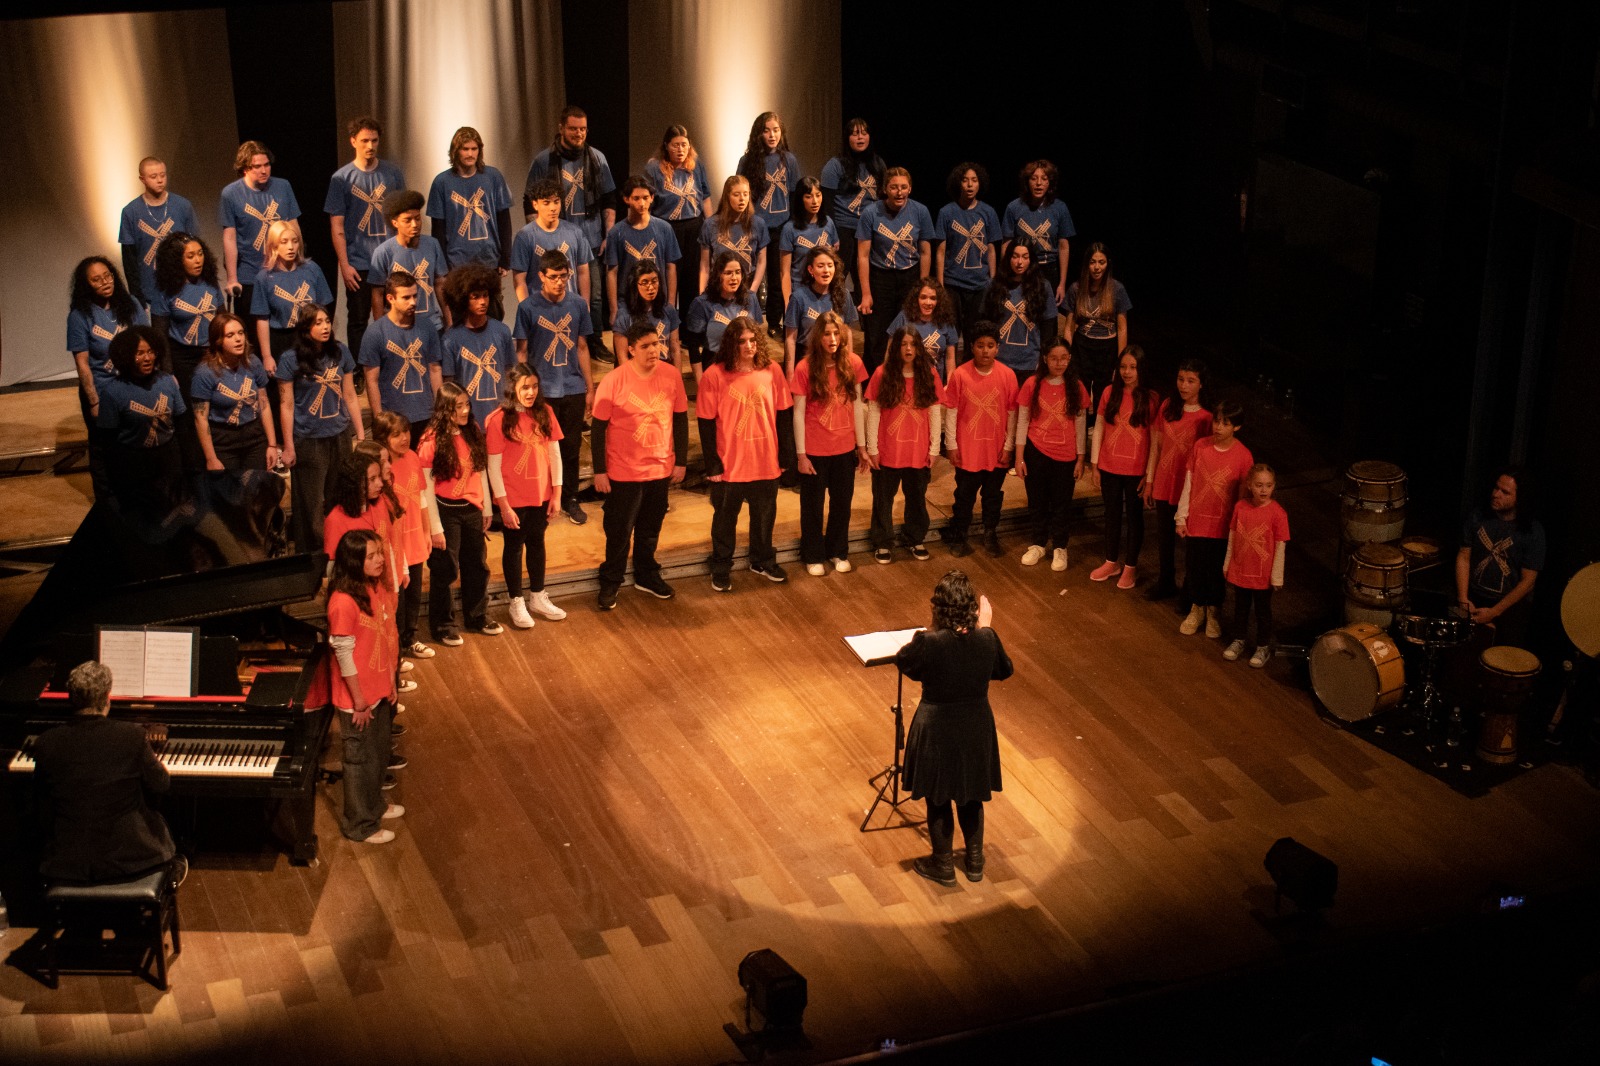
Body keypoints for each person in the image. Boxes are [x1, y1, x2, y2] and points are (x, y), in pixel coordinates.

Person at [897, 571, 1012, 886]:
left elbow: (905, 662)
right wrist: (985, 628)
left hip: (936, 728)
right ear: (973, 610)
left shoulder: (930, 642)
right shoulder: (987, 638)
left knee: (938, 797)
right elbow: (1004, 670)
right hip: (975, 725)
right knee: (971, 795)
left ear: (938, 608)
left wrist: (930, 632)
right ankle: (975, 862)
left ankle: (943, 865)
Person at [30, 660, 181, 883]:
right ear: (107, 698)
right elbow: (161, 784)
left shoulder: (46, 741)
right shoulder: (131, 736)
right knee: (155, 822)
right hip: (126, 859)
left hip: (68, 859)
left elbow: (40, 798)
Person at [592, 321, 689, 609]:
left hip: (659, 468)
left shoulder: (671, 375)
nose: (653, 350)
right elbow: (598, 428)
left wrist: (681, 461)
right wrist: (600, 471)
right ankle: (611, 581)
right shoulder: (615, 380)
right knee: (619, 532)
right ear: (630, 349)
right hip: (624, 472)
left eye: (656, 343)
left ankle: (646, 576)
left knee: (650, 530)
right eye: (645, 346)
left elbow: (681, 418)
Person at [697, 316, 794, 591]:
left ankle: (762, 560)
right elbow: (705, 422)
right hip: (730, 465)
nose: (749, 346)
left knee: (764, 518)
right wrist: (712, 464)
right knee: (725, 521)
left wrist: (786, 456)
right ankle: (721, 565)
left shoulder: (772, 371)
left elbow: (784, 414)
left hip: (765, 461)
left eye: (753, 340)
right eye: (742, 342)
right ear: (731, 344)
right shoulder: (714, 376)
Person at [326, 529, 403, 844]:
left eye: (379, 553)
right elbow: (343, 654)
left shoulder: (374, 588)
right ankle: (360, 824)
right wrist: (359, 701)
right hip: (358, 699)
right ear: (354, 561)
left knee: (378, 754)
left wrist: (389, 683)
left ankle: (375, 806)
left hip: (378, 690)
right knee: (359, 762)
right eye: (371, 556)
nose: (380, 560)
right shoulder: (343, 602)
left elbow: (384, 638)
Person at [522, 106, 615, 350]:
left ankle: (591, 340)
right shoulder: (544, 160)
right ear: (561, 128)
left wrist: (609, 233)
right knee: (553, 294)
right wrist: (539, 233)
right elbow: (529, 200)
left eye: (583, 129)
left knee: (593, 297)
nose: (579, 133)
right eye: (573, 128)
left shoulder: (597, 158)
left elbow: (608, 198)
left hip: (591, 238)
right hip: (553, 241)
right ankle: (554, 339)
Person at [513, 249, 595, 524]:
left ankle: (570, 498)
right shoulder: (527, 308)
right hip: (542, 390)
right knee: (540, 448)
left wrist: (589, 387)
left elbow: (582, 346)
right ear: (541, 277)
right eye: (554, 277)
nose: (560, 282)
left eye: (564, 276)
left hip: (571, 386)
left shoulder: (578, 304)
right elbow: (522, 353)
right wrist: (520, 389)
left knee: (571, 448)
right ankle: (542, 499)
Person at [419, 383, 501, 645]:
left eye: (467, 404)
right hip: (445, 511)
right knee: (445, 569)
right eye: (459, 406)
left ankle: (477, 616)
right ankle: (443, 624)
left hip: (472, 508)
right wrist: (435, 527)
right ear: (446, 410)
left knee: (476, 565)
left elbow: (480, 469)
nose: (466, 410)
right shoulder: (431, 440)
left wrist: (486, 507)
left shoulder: (472, 431)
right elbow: (426, 488)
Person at [276, 303, 361, 553]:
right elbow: (287, 405)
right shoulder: (290, 359)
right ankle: (313, 558)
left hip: (340, 434)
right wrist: (289, 446)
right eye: (317, 323)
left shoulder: (340, 352)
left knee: (341, 499)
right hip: (309, 439)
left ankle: (340, 554)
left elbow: (350, 395)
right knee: (311, 507)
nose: (325, 327)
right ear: (305, 328)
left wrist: (361, 434)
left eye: (326, 321)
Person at [487, 364, 567, 628]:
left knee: (537, 542)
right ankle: (516, 601)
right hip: (513, 499)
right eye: (525, 387)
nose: (531, 392)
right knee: (514, 547)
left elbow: (555, 455)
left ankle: (537, 595)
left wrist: (556, 493)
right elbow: (494, 467)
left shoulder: (546, 413)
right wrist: (504, 505)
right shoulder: (498, 420)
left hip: (541, 494)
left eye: (534, 386)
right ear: (513, 389)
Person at [791, 312, 867, 576]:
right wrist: (801, 454)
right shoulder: (805, 368)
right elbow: (798, 413)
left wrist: (862, 445)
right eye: (827, 334)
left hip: (844, 448)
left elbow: (858, 406)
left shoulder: (853, 363)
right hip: (814, 450)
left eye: (836, 333)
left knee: (842, 504)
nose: (833, 339)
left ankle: (838, 551)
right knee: (812, 506)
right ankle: (812, 554)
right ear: (818, 337)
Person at [67, 256, 148, 500]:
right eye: (96, 279)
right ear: (86, 285)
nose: (105, 282)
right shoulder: (80, 316)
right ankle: (107, 504)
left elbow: (146, 343)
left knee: (134, 447)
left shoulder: (130, 304)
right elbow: (82, 363)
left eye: (108, 276)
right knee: (104, 450)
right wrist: (93, 401)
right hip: (102, 392)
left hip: (132, 388)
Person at [326, 117, 407, 357]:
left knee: (395, 314)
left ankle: (393, 360)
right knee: (359, 319)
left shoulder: (392, 173)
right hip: (359, 261)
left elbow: (404, 214)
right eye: (364, 141)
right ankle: (361, 369)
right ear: (353, 141)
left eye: (374, 141)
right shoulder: (342, 178)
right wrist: (344, 264)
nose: (370, 146)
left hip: (391, 258)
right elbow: (337, 225)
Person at [866, 325, 945, 564]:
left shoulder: (929, 374)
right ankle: (882, 541)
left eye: (913, 344)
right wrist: (873, 448)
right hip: (888, 451)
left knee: (917, 497)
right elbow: (874, 412)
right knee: (883, 498)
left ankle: (915, 537)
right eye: (903, 344)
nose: (908, 349)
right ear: (896, 347)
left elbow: (934, 412)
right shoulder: (882, 373)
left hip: (918, 451)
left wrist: (934, 448)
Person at [1175, 399, 1252, 639]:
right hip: (1197, 522)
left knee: (1216, 571)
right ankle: (1197, 608)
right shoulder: (1200, 447)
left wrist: (1237, 529)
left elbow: (1242, 498)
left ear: (1236, 427)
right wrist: (1182, 516)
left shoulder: (1243, 456)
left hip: (1221, 526)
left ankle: (1213, 611)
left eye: (1225, 423)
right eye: (1217, 421)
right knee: (1195, 567)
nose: (1218, 427)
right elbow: (1189, 481)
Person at [96, 326, 188, 524]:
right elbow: (107, 443)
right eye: (139, 353)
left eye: (150, 352)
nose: (147, 358)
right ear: (126, 356)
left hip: (168, 459)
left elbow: (182, 424)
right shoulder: (113, 392)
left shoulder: (167, 382)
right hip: (133, 466)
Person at [942, 323, 1018, 558]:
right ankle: (959, 535)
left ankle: (990, 533)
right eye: (980, 345)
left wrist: (1008, 447)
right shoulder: (961, 375)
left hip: (996, 449)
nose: (985, 351)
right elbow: (952, 411)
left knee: (993, 495)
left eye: (990, 346)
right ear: (972, 347)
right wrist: (951, 445)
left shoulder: (1007, 375)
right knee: (964, 496)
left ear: (998, 348)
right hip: (968, 449)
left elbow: (1012, 415)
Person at [1014, 339, 1088, 572]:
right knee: (1037, 501)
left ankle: (1060, 547)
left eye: (1064, 358)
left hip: (1065, 455)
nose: (1059, 363)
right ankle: (1038, 543)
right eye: (1054, 358)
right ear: (1045, 358)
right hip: (1036, 451)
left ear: (1069, 359)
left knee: (1061, 504)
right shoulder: (1032, 384)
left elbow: (1080, 423)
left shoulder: (1075, 386)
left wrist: (1080, 458)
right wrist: (1019, 457)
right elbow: (1023, 421)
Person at [1089, 346, 1158, 589]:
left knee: (1135, 518)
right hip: (1109, 467)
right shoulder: (1109, 392)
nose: (1127, 372)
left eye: (1132, 367)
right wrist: (1095, 463)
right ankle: (1111, 561)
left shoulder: (1150, 398)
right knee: (1111, 514)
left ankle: (1131, 566)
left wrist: (1149, 475)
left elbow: (1154, 441)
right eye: (1123, 367)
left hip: (1136, 471)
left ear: (1141, 369)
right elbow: (1098, 427)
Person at [1146, 359, 1214, 602]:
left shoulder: (1207, 418)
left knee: (1189, 542)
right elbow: (1156, 445)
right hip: (1165, 482)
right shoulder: (1167, 406)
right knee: (1164, 538)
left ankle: (1189, 588)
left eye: (1190, 381)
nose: (1183, 385)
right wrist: (1150, 480)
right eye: (1180, 379)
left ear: (1201, 384)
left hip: (1189, 490)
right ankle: (1166, 581)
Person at [856, 167, 934, 375]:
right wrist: (866, 293)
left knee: (907, 330)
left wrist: (923, 287)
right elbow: (863, 255)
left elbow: (925, 252)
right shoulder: (871, 213)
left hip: (910, 276)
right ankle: (875, 382)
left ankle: (905, 378)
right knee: (877, 333)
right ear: (885, 189)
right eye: (894, 187)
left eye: (903, 187)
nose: (899, 192)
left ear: (910, 188)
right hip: (880, 278)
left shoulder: (920, 211)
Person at [1456, 466, 1544, 648]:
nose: (1496, 494)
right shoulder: (1477, 516)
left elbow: (1528, 582)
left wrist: (1495, 612)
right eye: (1496, 488)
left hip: (1508, 609)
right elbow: (1464, 556)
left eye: (1505, 492)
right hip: (1473, 598)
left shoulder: (1532, 531)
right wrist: (1463, 598)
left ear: (1519, 498)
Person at [219, 140, 301, 331]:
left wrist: (297, 263)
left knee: (284, 327)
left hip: (280, 270)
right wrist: (232, 278)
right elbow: (229, 237)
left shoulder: (283, 187)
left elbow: (293, 226)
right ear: (245, 168)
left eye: (266, 165)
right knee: (253, 331)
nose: (263, 170)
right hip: (250, 274)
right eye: (257, 166)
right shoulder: (231, 194)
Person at [373, 410, 434, 663]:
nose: (404, 438)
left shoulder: (412, 457)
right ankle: (394, 647)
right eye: (395, 434)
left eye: (405, 432)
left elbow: (420, 497)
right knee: (395, 595)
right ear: (383, 438)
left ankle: (410, 637)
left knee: (414, 593)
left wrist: (428, 530)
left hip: (415, 537)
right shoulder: (381, 468)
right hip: (393, 542)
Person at [359, 270, 444, 443]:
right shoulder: (375, 333)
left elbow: (434, 370)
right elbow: (371, 381)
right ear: (390, 298)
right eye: (406, 297)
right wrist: (379, 419)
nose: (413, 302)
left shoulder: (427, 327)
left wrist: (440, 410)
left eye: (414, 296)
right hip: (393, 419)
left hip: (426, 414)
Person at [191, 311, 279, 475]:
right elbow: (200, 419)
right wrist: (211, 458)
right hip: (224, 443)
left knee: (255, 491)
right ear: (218, 341)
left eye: (240, 333)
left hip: (254, 438)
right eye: (230, 335)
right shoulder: (204, 373)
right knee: (230, 495)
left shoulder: (253, 363)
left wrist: (272, 444)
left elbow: (264, 405)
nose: (238, 339)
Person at [737, 111, 802, 330]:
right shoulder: (747, 161)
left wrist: (793, 225)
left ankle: (774, 322)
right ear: (759, 134)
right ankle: (743, 319)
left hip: (780, 228)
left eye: (776, 130)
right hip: (753, 227)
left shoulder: (789, 160)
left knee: (777, 278)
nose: (772, 135)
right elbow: (739, 191)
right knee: (748, 275)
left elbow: (793, 194)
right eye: (767, 130)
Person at [1222, 464, 1290, 668]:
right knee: (1240, 608)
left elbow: (1280, 547)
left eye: (1268, 485)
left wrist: (1276, 577)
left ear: (1274, 487)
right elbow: (1233, 537)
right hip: (1241, 570)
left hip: (1262, 575)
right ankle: (1239, 640)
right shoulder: (1240, 507)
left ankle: (1262, 646)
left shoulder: (1278, 514)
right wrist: (1227, 564)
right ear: (1250, 485)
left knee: (1262, 611)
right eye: (1259, 485)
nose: (1263, 490)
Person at [644, 124, 714, 312]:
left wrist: (711, 226)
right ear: (666, 145)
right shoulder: (654, 167)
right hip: (667, 227)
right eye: (676, 145)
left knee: (691, 277)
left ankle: (690, 330)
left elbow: (705, 195)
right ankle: (667, 322)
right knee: (669, 276)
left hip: (694, 226)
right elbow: (647, 201)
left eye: (684, 144)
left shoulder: (696, 164)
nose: (680, 149)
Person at [427, 125, 514, 273]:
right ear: (455, 151)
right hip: (456, 262)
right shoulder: (441, 182)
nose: (470, 154)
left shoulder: (493, 177)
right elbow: (438, 229)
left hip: (489, 259)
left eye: (474, 149)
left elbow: (504, 220)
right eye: (465, 149)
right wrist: (442, 265)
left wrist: (505, 258)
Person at [148, 231, 223, 402]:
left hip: (211, 354)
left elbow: (222, 320)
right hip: (183, 358)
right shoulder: (164, 290)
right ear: (176, 260)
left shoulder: (210, 283)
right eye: (190, 256)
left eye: (200, 254)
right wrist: (168, 372)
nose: (198, 260)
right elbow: (160, 335)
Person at [118, 156, 199, 309]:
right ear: (142, 179)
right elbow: (129, 258)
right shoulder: (131, 212)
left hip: (182, 286)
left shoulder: (182, 206)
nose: (160, 180)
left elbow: (196, 246)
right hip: (149, 291)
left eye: (163, 175)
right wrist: (136, 294)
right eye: (153, 176)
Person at [440, 262, 514, 430]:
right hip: (468, 419)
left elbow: (510, 372)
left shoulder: (502, 332)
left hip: (500, 416)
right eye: (475, 297)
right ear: (463, 299)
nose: (482, 302)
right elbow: (449, 383)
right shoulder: (451, 339)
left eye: (485, 295)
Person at [820, 118, 885, 300]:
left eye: (864, 133)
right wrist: (832, 232)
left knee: (866, 276)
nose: (860, 137)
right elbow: (827, 202)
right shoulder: (835, 165)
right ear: (847, 138)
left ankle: (865, 317)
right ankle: (836, 314)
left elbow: (882, 198)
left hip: (869, 229)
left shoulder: (878, 164)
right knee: (840, 273)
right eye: (855, 133)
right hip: (844, 227)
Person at [252, 220, 334, 364]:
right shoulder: (264, 278)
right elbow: (262, 319)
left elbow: (323, 307)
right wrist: (266, 356)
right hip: (281, 340)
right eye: (284, 242)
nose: (290, 247)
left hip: (309, 337)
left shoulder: (312, 269)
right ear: (273, 245)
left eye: (294, 241)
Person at [936, 162, 1000, 345]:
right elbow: (940, 250)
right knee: (951, 333)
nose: (970, 185)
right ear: (958, 183)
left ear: (980, 183)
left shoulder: (988, 212)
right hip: (953, 283)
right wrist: (940, 284)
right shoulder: (946, 212)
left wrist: (992, 278)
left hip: (979, 284)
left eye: (974, 180)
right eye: (965, 180)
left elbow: (991, 247)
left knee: (975, 333)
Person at [367, 190, 448, 333]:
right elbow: (378, 294)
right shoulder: (383, 252)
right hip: (398, 327)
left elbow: (440, 284)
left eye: (417, 218)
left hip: (432, 325)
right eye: (407, 220)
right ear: (395, 223)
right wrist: (381, 329)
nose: (414, 224)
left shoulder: (432, 245)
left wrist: (449, 322)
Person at [603, 176, 681, 324]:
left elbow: (671, 268)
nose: (642, 203)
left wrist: (670, 304)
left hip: (658, 301)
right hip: (627, 303)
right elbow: (612, 272)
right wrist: (614, 310)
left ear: (652, 198)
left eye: (645, 198)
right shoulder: (617, 232)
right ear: (627, 199)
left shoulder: (664, 229)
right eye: (636, 198)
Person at [1063, 244, 1130, 408]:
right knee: (1080, 390)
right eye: (1093, 262)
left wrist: (1121, 361)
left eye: (1101, 262)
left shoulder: (1117, 289)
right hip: (1082, 346)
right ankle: (1081, 428)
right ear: (1087, 264)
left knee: (1103, 392)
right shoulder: (1075, 288)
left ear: (1108, 264)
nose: (1097, 267)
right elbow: (1068, 327)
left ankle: (1097, 430)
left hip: (1107, 348)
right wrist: (1066, 355)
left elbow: (1122, 328)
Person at [510, 176, 595, 305]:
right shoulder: (525, 237)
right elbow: (519, 280)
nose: (553, 208)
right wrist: (528, 310)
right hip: (539, 307)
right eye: (546, 203)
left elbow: (583, 271)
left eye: (556, 201)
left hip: (570, 306)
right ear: (535, 204)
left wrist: (585, 305)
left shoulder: (575, 232)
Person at [1002, 160, 1075, 306]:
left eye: (1044, 179)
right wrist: (1004, 276)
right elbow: (1007, 243)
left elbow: (1063, 246)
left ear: (1050, 182)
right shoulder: (1014, 207)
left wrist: (1061, 283)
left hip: (1049, 268)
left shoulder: (1060, 208)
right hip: (1022, 268)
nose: (1039, 183)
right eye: (1034, 178)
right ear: (1027, 181)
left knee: (1048, 317)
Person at [684, 252, 764, 382]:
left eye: (737, 272)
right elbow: (693, 348)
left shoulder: (751, 298)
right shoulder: (702, 304)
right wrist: (701, 383)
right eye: (728, 273)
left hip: (746, 371)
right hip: (716, 370)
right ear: (718, 275)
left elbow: (758, 340)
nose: (734, 278)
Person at [983, 238, 1057, 378]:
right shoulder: (995, 285)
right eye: (1015, 256)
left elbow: (1048, 328)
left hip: (1030, 363)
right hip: (1000, 362)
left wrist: (1043, 359)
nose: (1019, 262)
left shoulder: (1043, 286)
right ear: (1009, 258)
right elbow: (986, 323)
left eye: (1025, 257)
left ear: (1031, 260)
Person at [783, 245, 858, 373]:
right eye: (820, 266)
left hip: (835, 361)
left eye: (830, 265)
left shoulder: (844, 295)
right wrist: (790, 377)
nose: (826, 270)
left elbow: (848, 333)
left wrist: (848, 366)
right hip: (807, 362)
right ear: (810, 269)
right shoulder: (798, 297)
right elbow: (790, 339)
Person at [778, 176, 838, 320]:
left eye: (818, 195)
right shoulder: (789, 229)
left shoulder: (828, 223)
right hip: (800, 291)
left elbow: (833, 261)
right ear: (800, 199)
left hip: (824, 292)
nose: (815, 201)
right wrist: (788, 302)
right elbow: (785, 272)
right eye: (809, 196)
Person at [698, 175, 769, 294]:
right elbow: (705, 265)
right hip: (719, 288)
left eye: (745, 194)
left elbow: (761, 261)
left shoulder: (758, 224)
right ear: (727, 196)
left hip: (747, 287)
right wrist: (702, 293)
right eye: (736, 195)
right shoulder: (710, 225)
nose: (742, 199)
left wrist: (752, 291)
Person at [611, 260, 682, 370]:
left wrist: (678, 380)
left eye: (654, 281)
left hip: (663, 371)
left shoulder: (668, 310)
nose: (651, 287)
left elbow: (675, 348)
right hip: (636, 373)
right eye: (644, 282)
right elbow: (622, 358)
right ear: (634, 284)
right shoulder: (624, 315)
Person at [887, 278, 959, 382]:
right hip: (906, 381)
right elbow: (890, 352)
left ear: (939, 301)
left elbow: (950, 359)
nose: (928, 302)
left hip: (935, 383)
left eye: (933, 298)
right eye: (923, 297)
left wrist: (950, 384)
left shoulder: (945, 320)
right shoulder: (904, 317)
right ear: (916, 299)